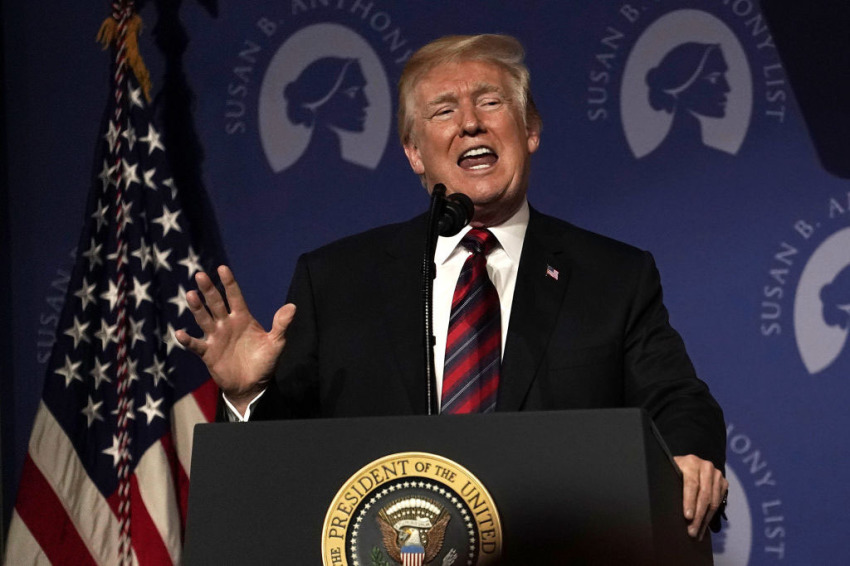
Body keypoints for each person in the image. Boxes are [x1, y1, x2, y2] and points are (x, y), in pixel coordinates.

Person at [176, 34, 728, 541]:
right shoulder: (337, 280)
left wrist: (688, 453)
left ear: (530, 129)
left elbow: (679, 400)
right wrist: (247, 395)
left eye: (490, 103)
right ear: (415, 153)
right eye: (444, 111)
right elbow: (284, 469)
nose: (470, 124)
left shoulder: (612, 277)